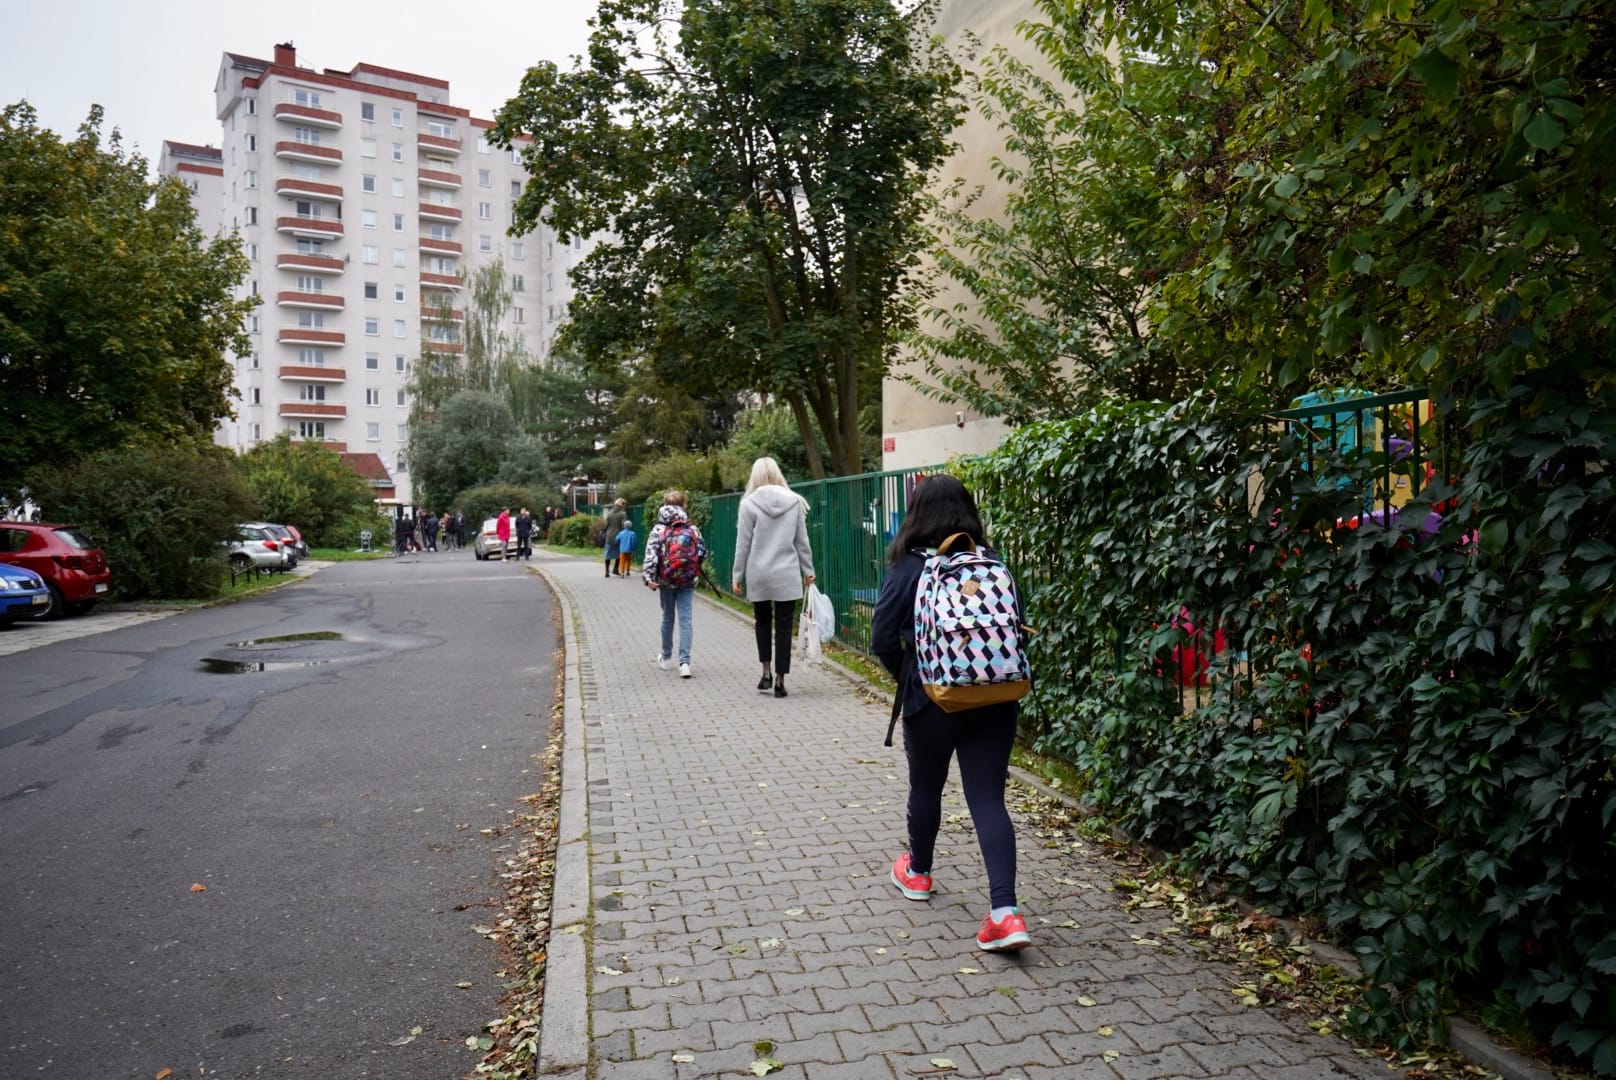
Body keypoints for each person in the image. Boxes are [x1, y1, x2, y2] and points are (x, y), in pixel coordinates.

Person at [870, 474, 1029, 953]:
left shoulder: (908, 568)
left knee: (926, 787)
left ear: (916, 513)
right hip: (995, 699)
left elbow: (882, 638)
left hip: (931, 701)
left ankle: (918, 873)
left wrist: (914, 676)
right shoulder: (991, 564)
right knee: (989, 799)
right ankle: (1005, 914)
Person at [731, 456, 816, 699]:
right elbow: (802, 541)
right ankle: (780, 681)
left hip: (759, 573)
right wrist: (808, 570)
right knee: (784, 626)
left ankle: (766, 672)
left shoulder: (748, 504)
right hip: (786, 572)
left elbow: (742, 544)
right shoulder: (794, 502)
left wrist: (737, 574)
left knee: (762, 621)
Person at [641, 490, 705, 678]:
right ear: (684, 505)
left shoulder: (658, 530)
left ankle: (666, 657)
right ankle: (685, 663)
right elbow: (702, 552)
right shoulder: (692, 529)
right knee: (686, 619)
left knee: (668, 617)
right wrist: (690, 567)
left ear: (664, 506)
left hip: (666, 579)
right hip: (687, 580)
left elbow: (651, 555)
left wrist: (648, 578)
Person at [603, 498, 629, 577]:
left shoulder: (609, 513)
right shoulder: (623, 514)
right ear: (622, 505)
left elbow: (606, 525)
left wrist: (604, 531)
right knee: (619, 553)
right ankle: (615, 569)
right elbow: (623, 526)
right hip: (619, 536)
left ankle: (607, 571)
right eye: (624, 504)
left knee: (608, 554)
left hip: (609, 536)